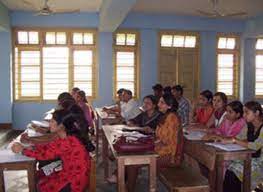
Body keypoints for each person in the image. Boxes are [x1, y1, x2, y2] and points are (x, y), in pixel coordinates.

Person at [12, 109, 91, 192]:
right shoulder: (66, 136)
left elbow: (45, 155)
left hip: (74, 181)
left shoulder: (68, 141)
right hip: (71, 173)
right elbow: (49, 147)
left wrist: (22, 150)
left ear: (61, 125)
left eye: (52, 121)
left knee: (41, 183)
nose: (49, 124)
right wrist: (31, 147)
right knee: (40, 174)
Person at [126, 94, 183, 192]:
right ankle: (128, 187)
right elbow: (159, 137)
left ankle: (128, 188)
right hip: (160, 150)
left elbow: (168, 143)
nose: (159, 105)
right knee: (132, 157)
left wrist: (152, 148)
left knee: (132, 163)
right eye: (159, 102)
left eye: (162, 103)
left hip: (169, 155)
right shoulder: (164, 116)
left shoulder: (172, 118)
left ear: (169, 106)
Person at [222, 101, 263, 192]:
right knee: (229, 168)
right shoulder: (249, 125)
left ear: (257, 113)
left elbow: (255, 146)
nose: (244, 115)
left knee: (234, 172)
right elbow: (239, 137)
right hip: (250, 157)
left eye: (247, 112)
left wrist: (235, 141)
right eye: (243, 112)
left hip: (260, 162)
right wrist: (226, 141)